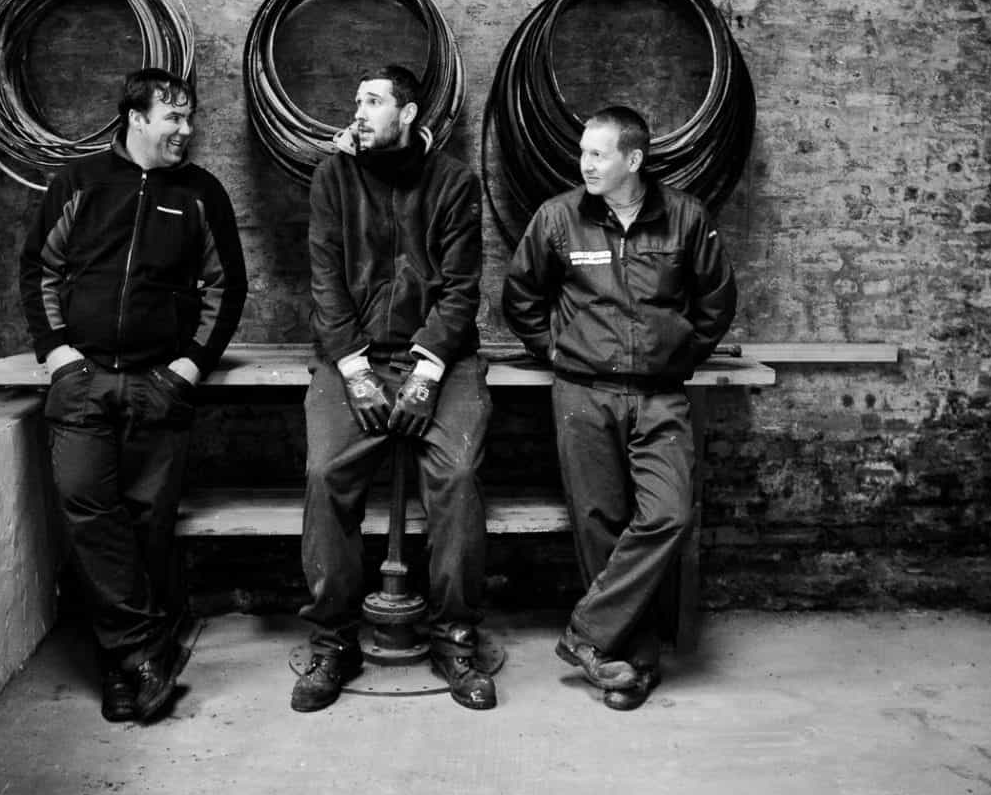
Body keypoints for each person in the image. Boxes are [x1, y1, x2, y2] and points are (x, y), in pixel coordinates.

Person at [19, 68, 246, 724]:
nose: (186, 129)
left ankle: (126, 670)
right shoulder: (79, 184)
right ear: (136, 117)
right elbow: (40, 268)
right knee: (91, 515)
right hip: (83, 382)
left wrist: (187, 368)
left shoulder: (201, 193)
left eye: (189, 117)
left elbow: (225, 287)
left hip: (157, 384)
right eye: (173, 117)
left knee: (149, 524)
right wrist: (58, 355)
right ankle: (146, 653)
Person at [501, 104, 737, 711]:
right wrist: (557, 349)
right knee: (599, 522)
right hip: (584, 392)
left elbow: (715, 301)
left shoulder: (685, 217)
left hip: (660, 393)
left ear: (633, 160)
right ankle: (629, 663)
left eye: (598, 154)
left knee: (668, 514)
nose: (585, 163)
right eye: (583, 152)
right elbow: (520, 294)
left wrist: (678, 349)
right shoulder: (558, 217)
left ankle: (586, 633)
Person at [292, 63, 496, 713]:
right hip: (352, 355)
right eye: (357, 99)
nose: (358, 111)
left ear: (408, 114)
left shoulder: (455, 182)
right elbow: (324, 281)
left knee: (458, 475)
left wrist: (428, 371)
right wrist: (353, 368)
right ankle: (333, 641)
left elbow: (463, 287)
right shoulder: (334, 175)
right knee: (326, 475)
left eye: (374, 101)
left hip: (440, 358)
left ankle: (455, 634)